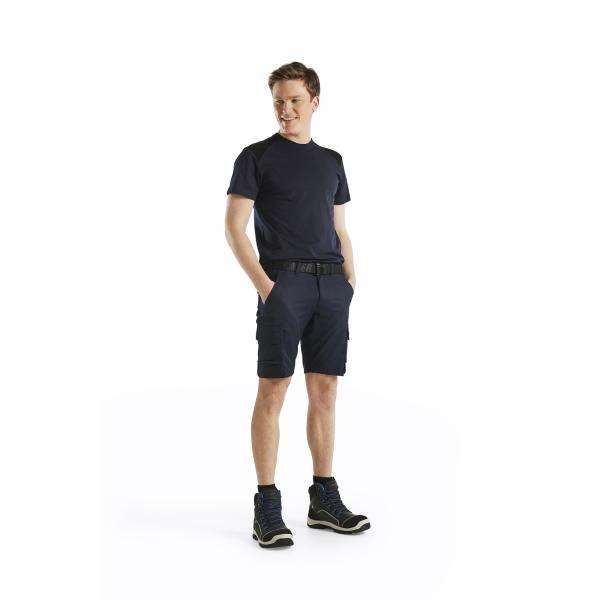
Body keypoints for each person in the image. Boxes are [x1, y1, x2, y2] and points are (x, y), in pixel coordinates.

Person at [224, 62, 370, 548]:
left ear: (315, 102)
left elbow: (340, 226)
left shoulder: (332, 161)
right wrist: (267, 287)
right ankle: (266, 505)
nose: (286, 110)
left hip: (331, 286)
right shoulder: (256, 157)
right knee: (274, 389)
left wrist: (350, 276)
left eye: (294, 101)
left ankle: (323, 498)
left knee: (325, 389)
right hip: (285, 285)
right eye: (279, 102)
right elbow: (234, 228)